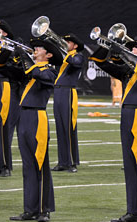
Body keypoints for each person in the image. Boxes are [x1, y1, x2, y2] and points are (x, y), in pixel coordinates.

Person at [89, 39, 137, 222]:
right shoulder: (127, 71)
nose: (133, 50)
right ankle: (133, 210)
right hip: (126, 115)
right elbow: (99, 61)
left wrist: (125, 53)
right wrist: (105, 45)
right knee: (129, 164)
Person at [10, 37, 63, 222]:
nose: (35, 50)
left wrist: (24, 57)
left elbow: (40, 76)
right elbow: (11, 72)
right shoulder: (30, 70)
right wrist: (14, 56)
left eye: (38, 48)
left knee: (40, 165)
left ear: (48, 55)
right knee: (28, 167)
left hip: (37, 118)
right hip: (23, 117)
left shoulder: (49, 71)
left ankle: (44, 209)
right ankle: (30, 209)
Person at [52, 33, 84, 173]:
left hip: (68, 93)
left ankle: (71, 162)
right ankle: (62, 161)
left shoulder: (78, 56)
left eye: (68, 42)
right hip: (58, 92)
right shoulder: (65, 57)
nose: (65, 43)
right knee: (60, 128)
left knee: (68, 127)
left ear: (75, 45)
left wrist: (65, 51)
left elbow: (76, 63)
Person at [0, 20, 15, 177]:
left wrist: (5, 47)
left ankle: (5, 166)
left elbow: (4, 65)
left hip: (2, 85)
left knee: (2, 126)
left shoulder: (9, 48)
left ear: (5, 33)